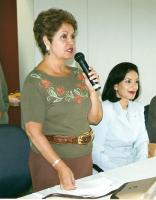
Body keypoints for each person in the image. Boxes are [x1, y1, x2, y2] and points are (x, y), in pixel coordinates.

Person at [21, 8, 102, 192]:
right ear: (46, 41)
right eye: (64, 36)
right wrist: (60, 166)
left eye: (73, 36)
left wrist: (92, 93)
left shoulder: (78, 73)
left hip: (83, 157)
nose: (71, 42)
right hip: (52, 162)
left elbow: (95, 119)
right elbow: (34, 133)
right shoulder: (35, 81)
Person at [92, 62, 149, 171]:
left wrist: (140, 165)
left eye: (136, 81)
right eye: (128, 81)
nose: (134, 86)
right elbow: (96, 152)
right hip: (107, 169)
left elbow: (142, 142)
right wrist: (120, 172)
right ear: (115, 85)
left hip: (134, 166)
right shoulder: (104, 109)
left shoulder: (138, 108)